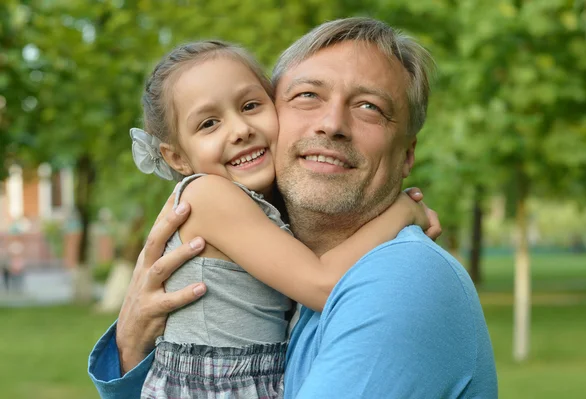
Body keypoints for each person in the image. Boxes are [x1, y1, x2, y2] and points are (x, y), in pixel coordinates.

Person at [89, 17, 497, 398]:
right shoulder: (227, 209)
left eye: (369, 106)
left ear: (407, 155)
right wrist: (131, 341)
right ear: (175, 156)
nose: (331, 124)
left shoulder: (402, 277)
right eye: (307, 96)